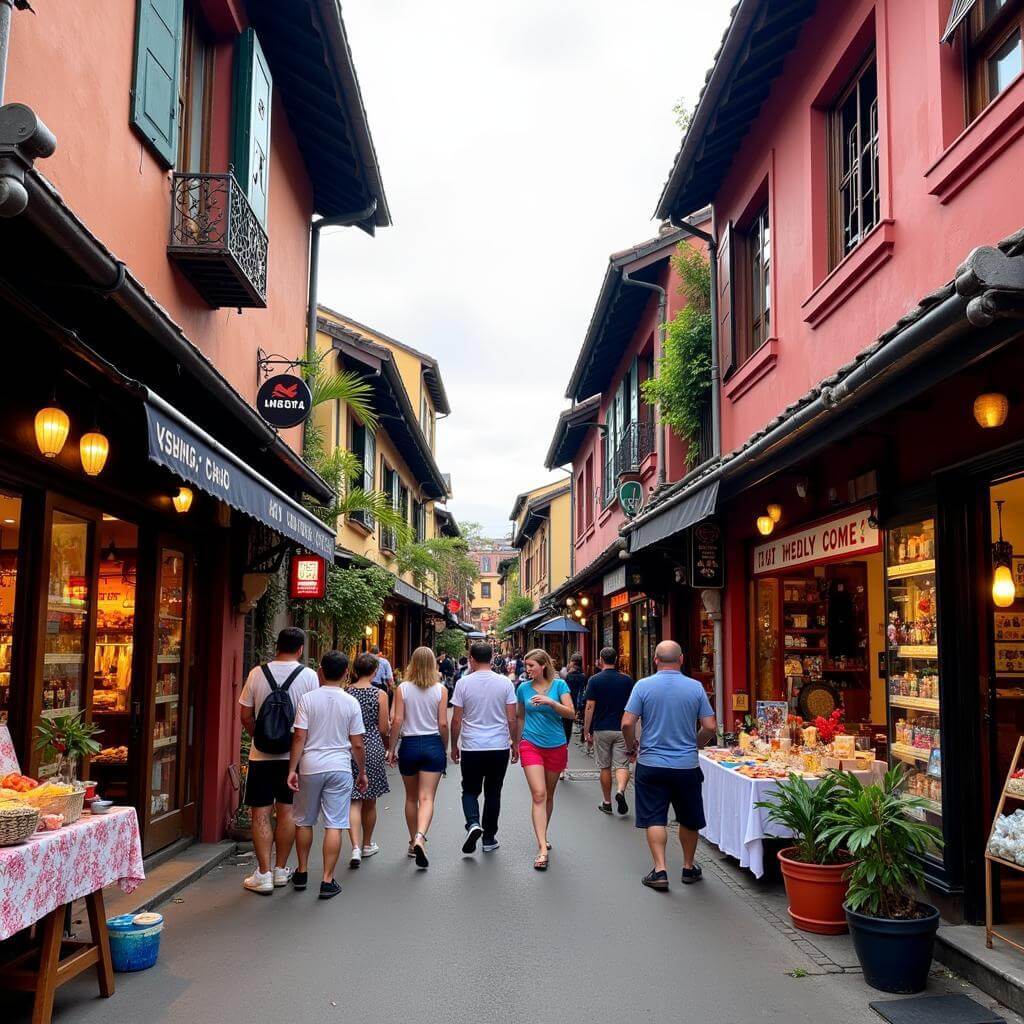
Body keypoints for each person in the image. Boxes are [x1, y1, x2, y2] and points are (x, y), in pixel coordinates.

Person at [622, 640, 716, 892]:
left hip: (651, 763)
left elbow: (627, 723)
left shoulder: (643, 686)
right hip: (686, 765)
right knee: (688, 817)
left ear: (655, 660)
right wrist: (694, 744)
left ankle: (660, 869)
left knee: (654, 816)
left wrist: (632, 748)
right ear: (682, 659)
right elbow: (710, 727)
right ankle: (688, 866)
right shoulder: (695, 688)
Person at [238, 627, 320, 894]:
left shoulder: (256, 673)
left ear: (277, 646)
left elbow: (246, 716)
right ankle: (281, 870)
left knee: (260, 813)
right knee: (287, 811)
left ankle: (263, 874)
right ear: (300, 649)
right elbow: (313, 719)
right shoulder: (308, 676)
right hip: (293, 757)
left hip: (260, 756)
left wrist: (260, 737)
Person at [286, 651, 367, 899]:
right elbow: (357, 744)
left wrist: (292, 768)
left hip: (310, 765)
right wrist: (361, 771)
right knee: (335, 823)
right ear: (346, 674)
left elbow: (299, 736)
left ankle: (301, 872)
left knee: (304, 820)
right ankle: (327, 879)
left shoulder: (308, 700)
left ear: (320, 671)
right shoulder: (351, 702)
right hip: (340, 767)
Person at [450, 641, 518, 854]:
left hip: (472, 746)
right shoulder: (505, 683)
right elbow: (512, 718)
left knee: (470, 790)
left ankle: (473, 823)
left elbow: (456, 720)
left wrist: (454, 745)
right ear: (492, 658)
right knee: (493, 792)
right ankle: (489, 838)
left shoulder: (463, 683)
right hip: (498, 746)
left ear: (471, 658)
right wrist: (515, 743)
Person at [388, 646, 448, 868]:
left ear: (412, 663)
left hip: (410, 745)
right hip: (432, 743)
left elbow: (397, 720)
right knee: (427, 798)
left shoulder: (402, 688)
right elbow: (443, 723)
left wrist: (392, 748)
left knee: (411, 798)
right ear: (433, 664)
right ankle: (422, 837)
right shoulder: (440, 690)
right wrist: (445, 746)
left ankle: (413, 841)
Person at [516, 648, 574, 871]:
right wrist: (517, 742)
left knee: (549, 795)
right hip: (531, 744)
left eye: (531, 665)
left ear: (543, 666)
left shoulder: (559, 685)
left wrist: (551, 703)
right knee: (538, 794)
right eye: (526, 665)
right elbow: (520, 716)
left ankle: (544, 834)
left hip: (556, 745)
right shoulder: (523, 688)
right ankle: (542, 848)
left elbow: (571, 713)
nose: (527, 669)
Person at [346, 652, 391, 867]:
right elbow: (383, 727)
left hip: (348, 746)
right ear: (374, 671)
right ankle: (366, 844)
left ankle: (354, 847)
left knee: (353, 800)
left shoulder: (346, 692)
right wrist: (389, 745)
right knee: (369, 800)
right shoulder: (379, 694)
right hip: (372, 745)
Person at [583, 647, 635, 816]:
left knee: (604, 766)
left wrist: (586, 730)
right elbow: (633, 707)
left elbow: (590, 706)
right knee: (622, 764)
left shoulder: (594, 680)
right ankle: (620, 790)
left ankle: (607, 802)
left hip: (602, 727)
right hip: (622, 728)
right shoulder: (627, 680)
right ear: (617, 659)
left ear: (600, 659)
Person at [564, 653, 588, 746]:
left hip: (569, 701)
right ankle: (582, 733)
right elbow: (583, 690)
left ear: (573, 662)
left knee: (568, 724)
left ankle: (566, 742)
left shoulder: (568, 676)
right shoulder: (583, 676)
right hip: (580, 701)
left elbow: (566, 691)